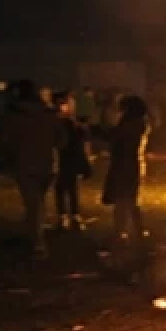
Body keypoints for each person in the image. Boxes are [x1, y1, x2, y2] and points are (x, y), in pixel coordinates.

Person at [0, 80, 64, 258]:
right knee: (39, 201)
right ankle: (36, 232)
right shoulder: (49, 114)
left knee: (33, 202)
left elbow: (6, 141)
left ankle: (37, 241)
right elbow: (61, 140)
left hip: (25, 164)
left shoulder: (13, 116)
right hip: (47, 164)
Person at [102, 95, 149, 262]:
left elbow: (116, 138)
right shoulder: (139, 123)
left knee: (122, 203)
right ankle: (137, 234)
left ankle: (121, 238)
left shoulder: (131, 124)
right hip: (132, 165)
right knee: (131, 202)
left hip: (125, 166)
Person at [54, 92, 92, 231]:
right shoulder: (58, 122)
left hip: (71, 159)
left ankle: (74, 215)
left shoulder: (75, 125)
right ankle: (64, 215)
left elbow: (83, 142)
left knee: (72, 188)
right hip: (61, 159)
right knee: (61, 188)